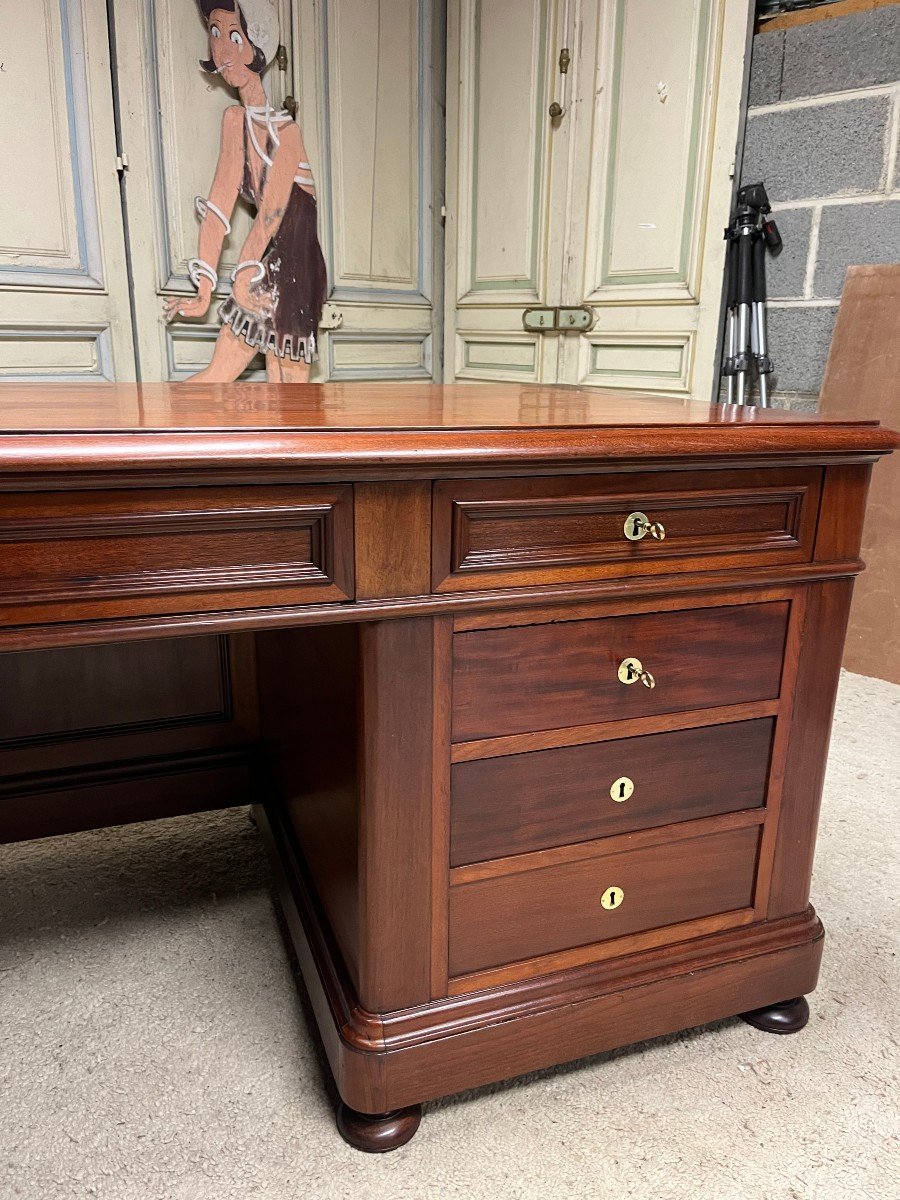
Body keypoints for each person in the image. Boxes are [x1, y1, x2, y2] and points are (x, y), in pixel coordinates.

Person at [164, 0, 327, 382]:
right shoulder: (235, 120)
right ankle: (159, 434)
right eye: (216, 34)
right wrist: (204, 289)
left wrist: (241, 274)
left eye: (234, 35)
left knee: (287, 400)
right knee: (215, 378)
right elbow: (219, 207)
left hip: (297, 271)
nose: (222, 49)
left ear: (259, 45)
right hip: (262, 265)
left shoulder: (287, 133)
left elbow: (271, 214)